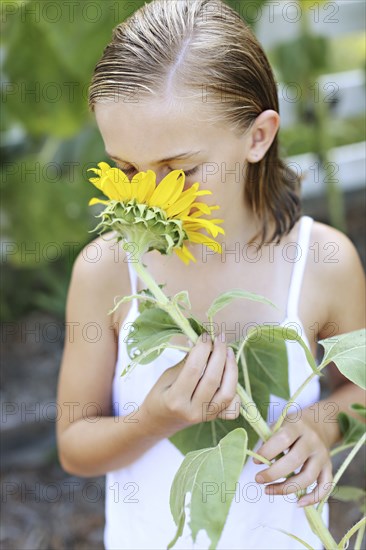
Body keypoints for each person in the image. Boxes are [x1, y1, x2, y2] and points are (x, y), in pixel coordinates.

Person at [56, 1, 365, 548]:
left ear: (257, 136)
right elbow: (75, 445)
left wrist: (319, 425)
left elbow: (359, 389)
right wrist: (152, 420)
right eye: (127, 170)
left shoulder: (322, 263)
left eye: (181, 171)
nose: (153, 197)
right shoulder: (108, 272)